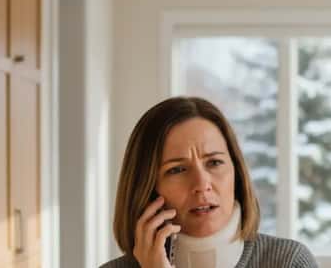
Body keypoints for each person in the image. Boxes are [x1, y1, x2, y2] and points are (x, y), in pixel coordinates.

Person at [100, 97, 318, 268]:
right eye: (177, 169)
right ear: (147, 189)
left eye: (214, 162)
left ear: (237, 173)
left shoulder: (289, 262)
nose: (202, 184)